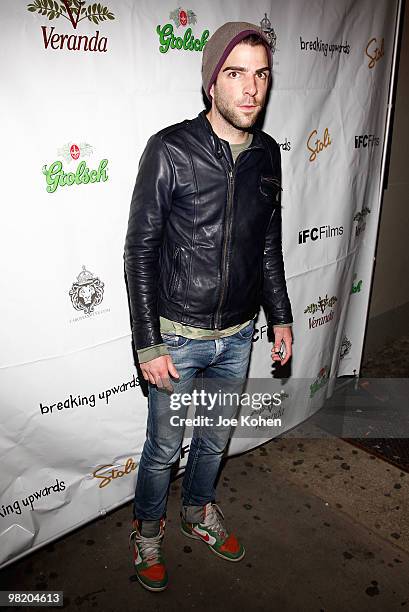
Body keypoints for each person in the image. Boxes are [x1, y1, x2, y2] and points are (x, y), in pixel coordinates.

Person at [123, 21, 293, 592]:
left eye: (261, 74)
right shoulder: (170, 149)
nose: (251, 88)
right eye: (236, 73)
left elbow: (268, 244)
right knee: (163, 447)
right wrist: (147, 342)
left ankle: (198, 513)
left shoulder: (268, 154)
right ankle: (147, 531)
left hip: (240, 335)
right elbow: (139, 251)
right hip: (175, 337)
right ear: (211, 82)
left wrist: (283, 315)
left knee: (216, 439)